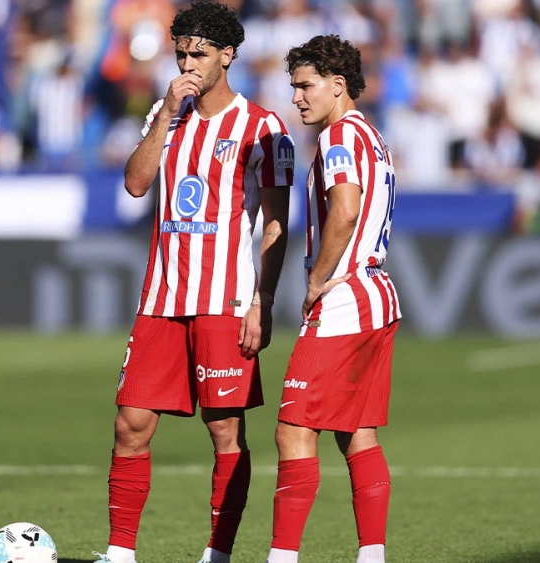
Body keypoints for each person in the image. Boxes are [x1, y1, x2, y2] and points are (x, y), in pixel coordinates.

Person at [94, 2, 295, 563]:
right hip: (162, 296)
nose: (187, 63)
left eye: (199, 53)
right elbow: (136, 184)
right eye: (180, 52)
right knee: (130, 424)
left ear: (227, 56)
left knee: (225, 431)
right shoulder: (168, 112)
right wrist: (164, 115)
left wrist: (265, 298)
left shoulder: (264, 127)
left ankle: (219, 553)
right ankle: (119, 552)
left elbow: (277, 221)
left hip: (224, 300)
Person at [267, 35, 401, 563]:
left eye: (305, 86)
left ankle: (282, 557)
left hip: (344, 299)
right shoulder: (374, 135)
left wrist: (317, 278)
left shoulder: (338, 137)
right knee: (355, 431)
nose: (296, 97)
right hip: (378, 296)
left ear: (337, 85)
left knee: (292, 431)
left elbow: (344, 210)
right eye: (293, 86)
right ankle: (372, 555)